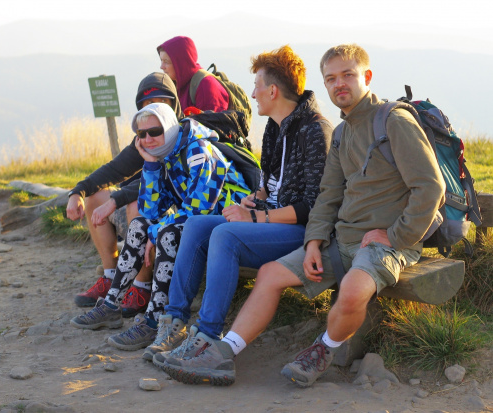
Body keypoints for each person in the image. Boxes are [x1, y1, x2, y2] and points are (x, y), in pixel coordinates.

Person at [162, 44, 446, 387]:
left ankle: (322, 350)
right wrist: (313, 243)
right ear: (324, 84)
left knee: (354, 289)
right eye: (331, 78)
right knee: (269, 274)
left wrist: (395, 235)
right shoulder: (342, 133)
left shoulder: (393, 121)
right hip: (341, 240)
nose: (339, 84)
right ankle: (222, 354)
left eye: (347, 75)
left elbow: (430, 188)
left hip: (387, 242)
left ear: (366, 77)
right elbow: (327, 197)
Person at [144, 44, 332, 378]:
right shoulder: (276, 126)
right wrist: (251, 199)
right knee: (199, 225)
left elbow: (313, 207)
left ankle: (207, 337)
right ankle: (173, 323)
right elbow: (270, 184)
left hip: (303, 233)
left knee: (225, 234)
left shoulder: (314, 130)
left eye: (257, 85)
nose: (253, 93)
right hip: (271, 221)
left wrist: (258, 217)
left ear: (273, 90)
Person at [70, 103, 252, 352]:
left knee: (165, 234)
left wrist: (155, 233)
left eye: (154, 131)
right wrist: (151, 165)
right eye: (141, 134)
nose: (147, 138)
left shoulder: (198, 151)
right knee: (139, 225)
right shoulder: (166, 156)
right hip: (202, 224)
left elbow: (199, 211)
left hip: (230, 224)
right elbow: (150, 211)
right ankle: (111, 305)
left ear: (169, 128)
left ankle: (154, 320)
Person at [67, 72, 182, 318]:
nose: (155, 109)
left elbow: (158, 184)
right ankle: (111, 277)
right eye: (147, 105)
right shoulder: (146, 135)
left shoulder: (181, 138)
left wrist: (116, 200)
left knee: (136, 206)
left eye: (162, 102)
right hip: (158, 213)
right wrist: (78, 191)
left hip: (182, 217)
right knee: (95, 196)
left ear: (174, 104)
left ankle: (141, 287)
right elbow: (115, 169)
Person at [158, 36, 229, 113]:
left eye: (166, 62)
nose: (161, 67)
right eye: (161, 60)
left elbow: (215, 123)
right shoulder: (177, 85)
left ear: (181, 63)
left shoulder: (206, 86)